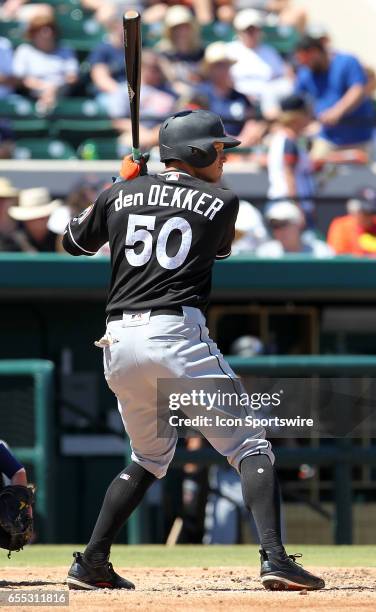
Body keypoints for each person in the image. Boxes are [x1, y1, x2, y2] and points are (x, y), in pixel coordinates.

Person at [62, 109, 324, 592]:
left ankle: (91, 561)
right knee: (250, 443)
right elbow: (214, 248)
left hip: (117, 342)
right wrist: (145, 191)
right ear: (196, 153)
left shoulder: (120, 192)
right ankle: (275, 559)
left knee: (148, 457)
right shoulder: (222, 200)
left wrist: (120, 186)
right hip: (174, 333)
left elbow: (73, 242)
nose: (223, 158)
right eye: (218, 149)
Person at [295, 35, 375, 159]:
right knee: (314, 168)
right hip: (327, 138)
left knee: (364, 178)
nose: (305, 64)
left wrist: (337, 111)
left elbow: (357, 90)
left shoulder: (347, 62)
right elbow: (297, 101)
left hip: (359, 139)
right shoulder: (305, 73)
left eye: (306, 59)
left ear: (315, 52)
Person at [197, 41, 265, 147]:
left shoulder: (240, 97)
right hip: (210, 151)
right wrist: (228, 141)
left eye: (226, 65)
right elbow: (199, 127)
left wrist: (241, 141)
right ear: (209, 69)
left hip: (241, 150)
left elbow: (252, 122)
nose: (223, 69)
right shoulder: (200, 95)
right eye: (218, 65)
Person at [12, 13, 79, 111]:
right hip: (32, 95)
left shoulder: (65, 49)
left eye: (49, 29)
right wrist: (44, 88)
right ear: (33, 33)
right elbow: (21, 79)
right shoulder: (24, 50)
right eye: (41, 30)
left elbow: (72, 77)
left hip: (61, 92)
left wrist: (55, 87)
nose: (47, 33)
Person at [266, 93, 315, 225]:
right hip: (290, 208)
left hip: (286, 205)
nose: (309, 117)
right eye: (306, 113)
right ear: (296, 117)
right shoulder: (288, 141)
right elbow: (289, 177)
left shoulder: (286, 138)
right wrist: (298, 209)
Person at [226, 9, 288, 105]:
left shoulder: (270, 52)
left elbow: (282, 77)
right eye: (247, 30)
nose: (251, 34)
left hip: (267, 101)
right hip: (236, 100)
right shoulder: (229, 50)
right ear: (239, 31)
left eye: (255, 30)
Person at [327, 188, 376, 256]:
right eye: (364, 212)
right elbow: (340, 257)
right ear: (353, 210)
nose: (368, 217)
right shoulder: (341, 227)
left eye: (372, 212)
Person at [155, 5, 205, 96]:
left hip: (201, 96)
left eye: (185, 27)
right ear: (169, 31)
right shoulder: (163, 54)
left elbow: (204, 78)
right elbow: (172, 83)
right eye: (177, 28)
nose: (182, 32)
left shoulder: (201, 52)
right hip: (174, 97)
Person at [258, 200, 333, 257]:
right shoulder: (265, 253)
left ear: (298, 224)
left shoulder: (321, 251)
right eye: (275, 226)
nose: (279, 231)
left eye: (283, 224)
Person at [8, 187, 62, 252]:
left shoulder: (61, 240)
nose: (39, 221)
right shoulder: (12, 241)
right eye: (34, 218)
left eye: (42, 217)